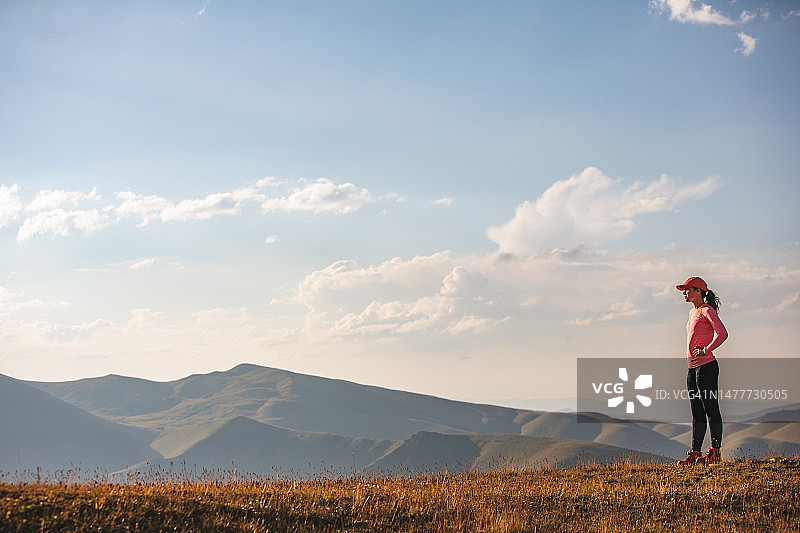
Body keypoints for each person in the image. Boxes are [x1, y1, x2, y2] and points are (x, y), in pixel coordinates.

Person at [676, 276, 728, 465]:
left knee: (711, 410)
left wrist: (706, 349)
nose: (684, 292)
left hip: (706, 367)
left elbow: (723, 333)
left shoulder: (707, 310)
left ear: (698, 291)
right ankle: (695, 454)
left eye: (688, 289)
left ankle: (715, 452)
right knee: (697, 412)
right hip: (692, 369)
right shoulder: (693, 313)